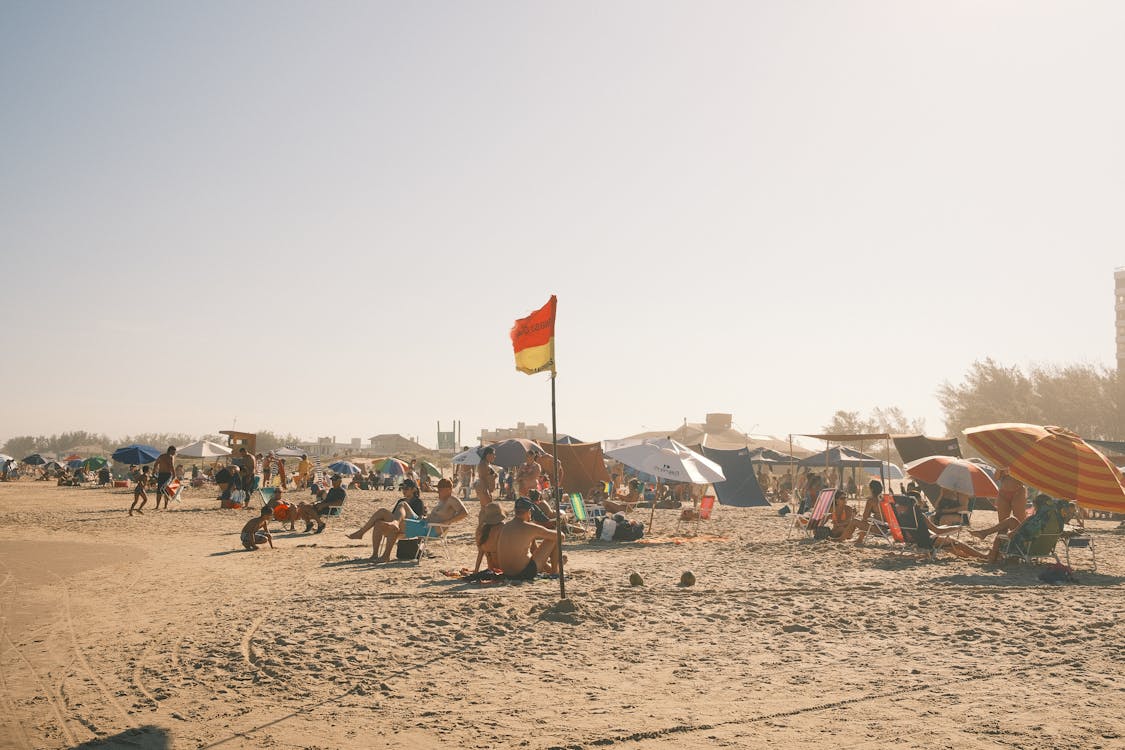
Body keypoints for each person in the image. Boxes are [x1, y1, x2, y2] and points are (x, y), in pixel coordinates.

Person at [349, 478, 467, 561]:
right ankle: (374, 538)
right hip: (423, 523)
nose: (438, 492)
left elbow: (464, 513)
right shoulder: (443, 500)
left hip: (429, 529)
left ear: (448, 489)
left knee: (382, 524)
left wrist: (448, 522)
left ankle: (385, 555)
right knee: (399, 505)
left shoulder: (452, 499)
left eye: (440, 489)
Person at [970, 494, 1064, 563]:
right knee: (1012, 520)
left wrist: (1012, 532)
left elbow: (1015, 534)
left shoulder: (1034, 520)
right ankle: (985, 533)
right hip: (1044, 547)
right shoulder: (1056, 518)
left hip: (1028, 548)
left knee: (1001, 534)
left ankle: (991, 557)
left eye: (1034, 505)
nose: (1033, 507)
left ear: (1038, 506)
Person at [893, 493, 986, 560]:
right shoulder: (919, 515)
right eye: (920, 500)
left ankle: (969, 557)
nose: (922, 501)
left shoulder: (900, 516)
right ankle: (983, 556)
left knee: (949, 545)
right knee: (957, 542)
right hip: (926, 541)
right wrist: (956, 528)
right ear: (914, 503)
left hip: (913, 539)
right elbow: (937, 531)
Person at [495, 496, 565, 580]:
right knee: (555, 537)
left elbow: (533, 550)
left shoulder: (506, 526)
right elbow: (561, 536)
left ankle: (552, 570)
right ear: (529, 511)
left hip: (506, 572)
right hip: (524, 572)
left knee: (536, 546)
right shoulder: (529, 527)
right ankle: (555, 572)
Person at [474, 502, 506, 572]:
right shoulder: (502, 527)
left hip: (491, 567)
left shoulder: (481, 530)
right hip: (503, 567)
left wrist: (476, 570)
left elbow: (480, 553)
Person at [853, 480, 884, 545]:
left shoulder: (871, 501)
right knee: (868, 521)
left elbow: (865, 517)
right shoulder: (885, 500)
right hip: (889, 529)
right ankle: (860, 538)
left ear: (872, 489)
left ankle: (841, 538)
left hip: (878, 529)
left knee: (854, 521)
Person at [153, 446, 177, 510]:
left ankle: (157, 506)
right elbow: (172, 466)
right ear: (170, 451)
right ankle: (165, 506)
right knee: (166, 491)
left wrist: (154, 473)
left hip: (160, 474)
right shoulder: (170, 457)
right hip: (167, 475)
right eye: (173, 451)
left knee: (159, 491)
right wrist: (174, 475)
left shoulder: (161, 456)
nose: (174, 453)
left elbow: (155, 464)